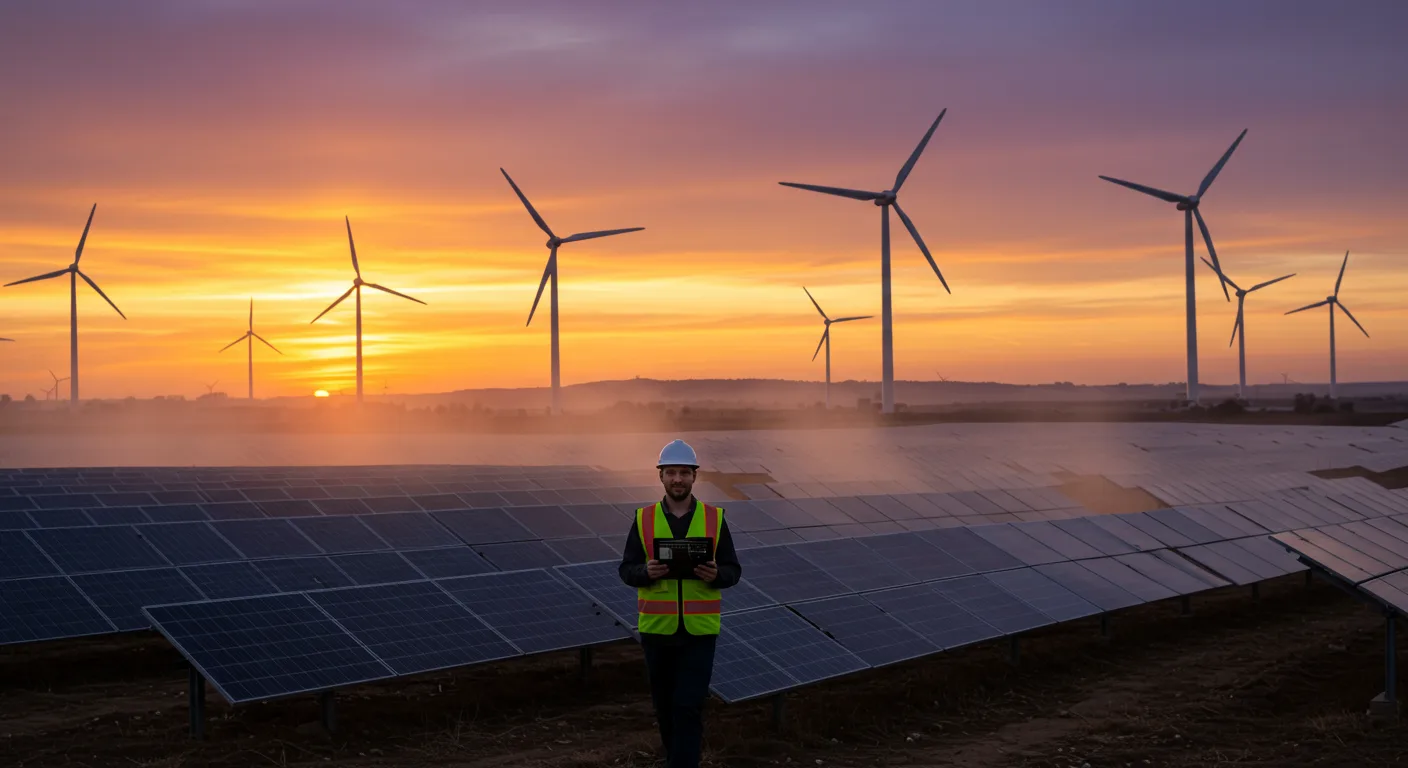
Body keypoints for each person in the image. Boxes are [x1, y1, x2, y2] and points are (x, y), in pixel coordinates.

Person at [619, 438, 742, 768]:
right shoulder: (643, 519)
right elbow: (626, 569)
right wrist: (645, 572)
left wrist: (716, 575)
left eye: (684, 473)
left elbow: (733, 570)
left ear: (694, 476)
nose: (677, 479)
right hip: (657, 631)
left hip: (699, 632)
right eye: (671, 472)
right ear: (660, 475)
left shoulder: (714, 518)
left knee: (688, 705)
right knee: (665, 707)